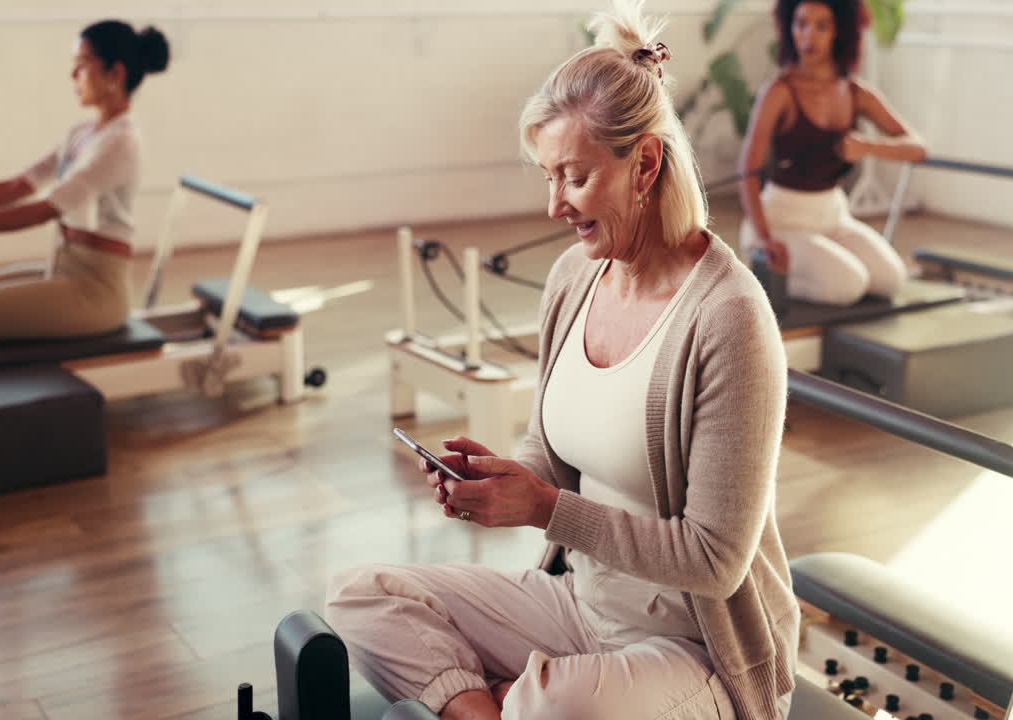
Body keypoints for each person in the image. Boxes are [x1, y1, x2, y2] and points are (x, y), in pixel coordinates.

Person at [325, 2, 799, 718]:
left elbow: (715, 559)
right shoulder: (575, 279)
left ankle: (512, 704)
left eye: (572, 178)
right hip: (579, 605)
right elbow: (550, 452)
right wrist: (500, 482)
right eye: (548, 177)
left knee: (552, 707)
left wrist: (546, 509)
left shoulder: (727, 318)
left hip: (694, 649)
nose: (554, 205)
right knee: (360, 595)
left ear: (645, 163)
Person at [0, 20, 169, 347]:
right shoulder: (82, 134)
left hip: (95, 289)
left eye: (81, 64)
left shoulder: (121, 143)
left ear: (116, 74)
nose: (73, 76)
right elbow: (17, 186)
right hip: (62, 267)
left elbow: (43, 211)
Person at [738, 0, 926, 309]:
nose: (808, 35)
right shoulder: (779, 91)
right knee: (849, 286)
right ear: (790, 28)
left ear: (839, 32)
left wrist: (868, 146)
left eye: (821, 25)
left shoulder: (855, 92)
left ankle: (812, 265)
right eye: (801, 24)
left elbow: (917, 148)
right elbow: (748, 169)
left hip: (832, 216)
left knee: (891, 279)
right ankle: (756, 271)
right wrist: (764, 239)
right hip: (781, 221)